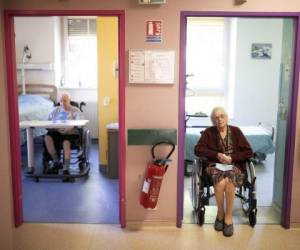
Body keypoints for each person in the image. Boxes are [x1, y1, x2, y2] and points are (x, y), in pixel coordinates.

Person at [194, 107, 253, 237]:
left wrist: (232, 158)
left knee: (230, 181)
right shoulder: (209, 132)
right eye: (216, 117)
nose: (219, 119)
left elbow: (248, 151)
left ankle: (228, 218)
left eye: (221, 116)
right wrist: (217, 155)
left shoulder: (236, 131)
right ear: (213, 120)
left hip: (234, 165)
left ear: (226, 117)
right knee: (220, 183)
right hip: (215, 165)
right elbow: (198, 149)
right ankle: (220, 214)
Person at [44, 93, 83, 175]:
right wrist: (56, 128)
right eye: (61, 101)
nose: (62, 103)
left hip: (70, 134)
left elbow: (80, 123)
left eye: (65, 101)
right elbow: (48, 122)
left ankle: (66, 168)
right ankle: (56, 162)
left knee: (66, 143)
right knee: (47, 138)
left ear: (69, 101)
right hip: (57, 132)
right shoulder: (55, 110)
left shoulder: (75, 110)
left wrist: (69, 128)